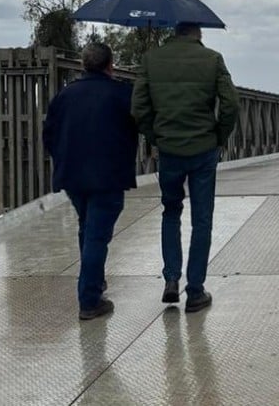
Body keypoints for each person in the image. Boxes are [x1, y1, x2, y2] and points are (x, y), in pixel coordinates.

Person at [132, 23, 239, 313]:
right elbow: (230, 105)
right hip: (203, 148)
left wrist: (156, 137)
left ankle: (170, 278)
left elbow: (139, 108)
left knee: (171, 211)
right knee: (202, 219)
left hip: (169, 150)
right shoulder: (213, 59)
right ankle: (195, 291)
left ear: (174, 31)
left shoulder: (151, 60)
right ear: (198, 33)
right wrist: (218, 136)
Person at [43, 42, 138, 320]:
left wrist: (63, 159)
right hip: (108, 176)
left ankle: (94, 281)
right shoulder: (121, 94)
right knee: (97, 235)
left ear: (84, 65)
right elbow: (138, 126)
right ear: (111, 64)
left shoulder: (64, 96)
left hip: (72, 176)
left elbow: (48, 134)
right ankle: (89, 300)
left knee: (87, 228)